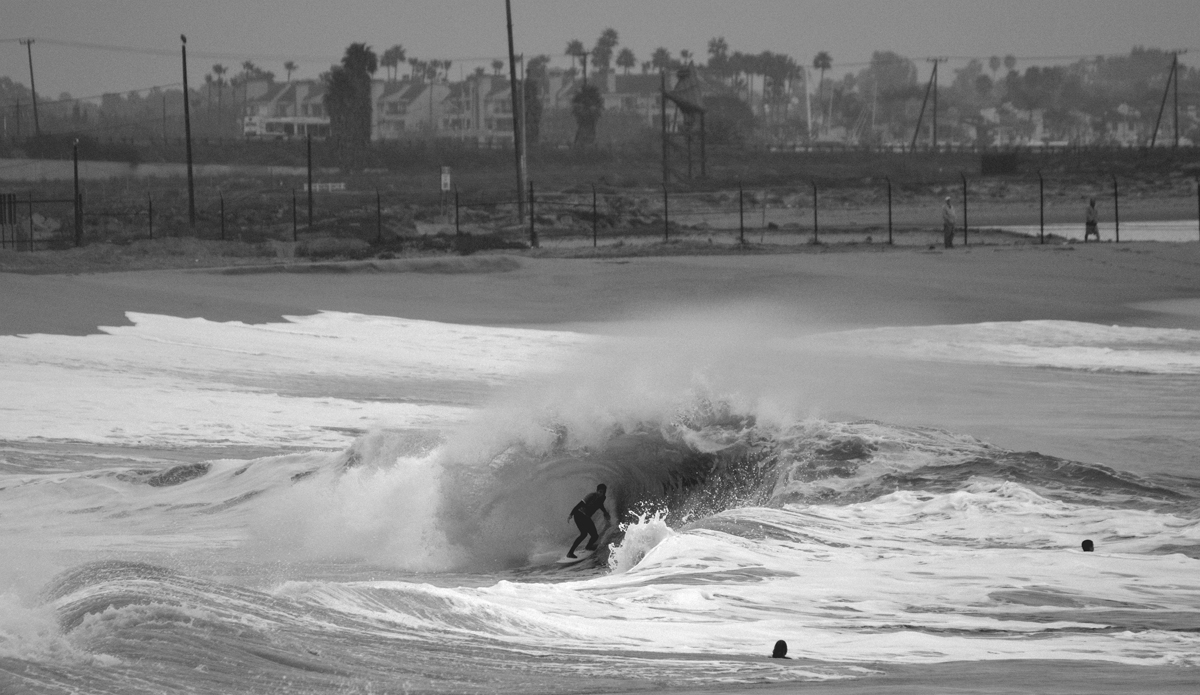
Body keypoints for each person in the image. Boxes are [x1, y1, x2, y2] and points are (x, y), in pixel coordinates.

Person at [567, 483, 611, 558]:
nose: (601, 494)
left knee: (594, 536)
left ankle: (588, 547)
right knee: (584, 534)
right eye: (600, 492)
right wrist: (571, 514)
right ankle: (570, 553)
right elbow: (579, 504)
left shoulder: (603, 498)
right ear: (597, 491)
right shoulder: (591, 496)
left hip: (586, 516)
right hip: (579, 514)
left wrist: (605, 512)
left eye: (603, 492)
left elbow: (600, 504)